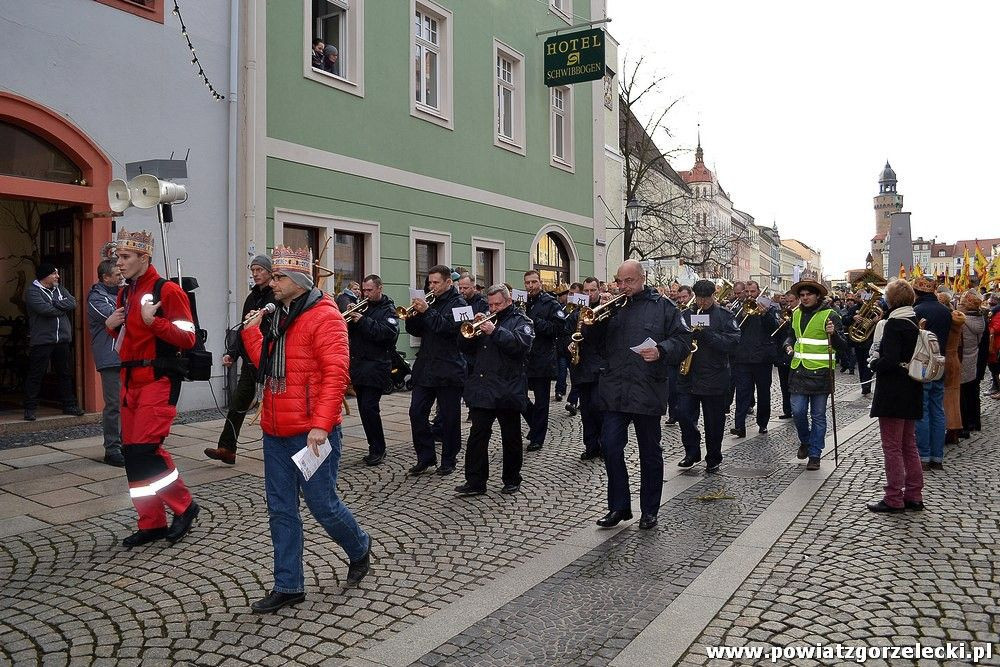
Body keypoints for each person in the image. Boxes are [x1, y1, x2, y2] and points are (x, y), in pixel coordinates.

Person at [241, 246, 370, 613]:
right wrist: (252, 334)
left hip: (311, 432)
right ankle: (288, 585)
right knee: (280, 509)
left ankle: (359, 546)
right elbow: (267, 366)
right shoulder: (278, 315)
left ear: (298, 281)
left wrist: (321, 425)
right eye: (273, 277)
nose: (272, 283)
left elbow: (336, 375)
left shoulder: (325, 317)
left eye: (279, 277)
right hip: (275, 429)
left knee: (322, 504)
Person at [105, 229, 199, 548]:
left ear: (144, 258)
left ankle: (185, 506)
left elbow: (188, 337)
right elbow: (127, 341)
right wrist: (110, 327)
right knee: (132, 455)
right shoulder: (125, 294)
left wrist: (153, 322)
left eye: (125, 257)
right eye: (118, 257)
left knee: (146, 450)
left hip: (158, 380)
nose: (119, 263)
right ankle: (151, 522)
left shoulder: (168, 290)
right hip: (129, 380)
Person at [596, 260, 691, 530]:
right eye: (620, 281)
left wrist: (661, 350)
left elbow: (683, 341)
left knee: (650, 452)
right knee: (610, 447)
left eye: (629, 281)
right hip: (615, 389)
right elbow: (595, 344)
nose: (623, 286)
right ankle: (619, 506)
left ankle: (650, 510)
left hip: (647, 388)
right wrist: (592, 322)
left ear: (642, 278)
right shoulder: (613, 307)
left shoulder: (664, 307)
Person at [455, 285, 534, 495]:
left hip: (508, 387)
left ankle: (512, 478)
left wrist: (495, 331)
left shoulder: (522, 321)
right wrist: (470, 332)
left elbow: (520, 347)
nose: (493, 308)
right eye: (490, 304)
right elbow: (465, 348)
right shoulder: (486, 319)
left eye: (497, 304)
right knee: (477, 435)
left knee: (511, 436)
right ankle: (475, 481)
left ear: (508, 301)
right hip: (483, 386)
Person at [205, 255, 274, 465]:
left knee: (275, 407)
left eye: (259, 270)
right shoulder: (251, 297)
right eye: (253, 270)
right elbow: (243, 328)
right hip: (250, 362)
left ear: (269, 271)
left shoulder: (276, 296)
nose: (255, 274)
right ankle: (227, 448)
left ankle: (279, 451)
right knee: (237, 405)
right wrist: (232, 353)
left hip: (269, 359)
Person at [866, 279, 924, 513]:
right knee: (909, 444)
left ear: (892, 300)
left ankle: (893, 497)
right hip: (912, 388)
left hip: (893, 391)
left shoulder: (894, 324)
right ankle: (914, 495)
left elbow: (889, 360)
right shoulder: (913, 321)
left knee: (892, 447)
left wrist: (874, 364)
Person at [405, 265, 467, 476]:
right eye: (429, 282)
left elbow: (449, 330)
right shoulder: (429, 302)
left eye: (436, 282)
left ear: (448, 282)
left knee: (449, 417)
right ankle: (425, 456)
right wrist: (413, 315)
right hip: (426, 367)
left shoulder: (460, 304)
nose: (431, 286)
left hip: (449, 368)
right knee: (416, 412)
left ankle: (449, 459)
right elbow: (415, 331)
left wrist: (427, 311)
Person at [676, 280, 741, 472]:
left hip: (715, 376)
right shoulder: (686, 315)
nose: (702, 302)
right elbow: (676, 338)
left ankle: (713, 456)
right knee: (684, 415)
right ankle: (691, 452)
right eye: (699, 298)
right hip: (688, 375)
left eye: (706, 298)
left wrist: (708, 335)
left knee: (714, 421)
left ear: (713, 296)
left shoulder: (724, 316)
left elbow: (733, 342)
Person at [783, 279, 847, 471]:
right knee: (798, 412)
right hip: (799, 371)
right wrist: (787, 345)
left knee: (818, 415)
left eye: (808, 295)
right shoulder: (795, 313)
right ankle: (806, 441)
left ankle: (815, 454)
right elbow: (791, 336)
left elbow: (843, 346)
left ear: (817, 296)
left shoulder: (830, 315)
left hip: (821, 372)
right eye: (802, 295)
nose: (804, 298)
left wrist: (834, 334)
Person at [346, 274, 399, 466]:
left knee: (370, 408)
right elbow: (351, 334)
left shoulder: (389, 310)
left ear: (379, 288)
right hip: (359, 367)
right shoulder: (363, 307)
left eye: (369, 290)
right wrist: (350, 319)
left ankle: (379, 448)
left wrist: (362, 320)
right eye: (364, 290)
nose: (365, 294)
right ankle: (373, 447)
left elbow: (387, 334)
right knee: (363, 409)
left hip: (377, 366)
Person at [23, 263, 84, 421]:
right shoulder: (32, 291)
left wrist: (55, 304)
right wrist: (61, 307)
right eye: (54, 274)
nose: (58, 276)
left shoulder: (60, 289)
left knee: (65, 373)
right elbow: (44, 310)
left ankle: (69, 405)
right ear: (45, 276)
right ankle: (30, 408)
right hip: (42, 340)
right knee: (36, 374)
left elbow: (72, 302)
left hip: (62, 339)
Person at [521, 270, 568, 452]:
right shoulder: (523, 302)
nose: (530, 286)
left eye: (533, 282)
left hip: (542, 357)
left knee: (541, 402)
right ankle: (536, 425)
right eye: (527, 283)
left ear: (540, 283)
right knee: (519, 396)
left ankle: (537, 438)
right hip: (524, 357)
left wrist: (536, 323)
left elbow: (559, 328)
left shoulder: (551, 303)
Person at [87, 259, 124, 466]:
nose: (121, 277)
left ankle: (127, 443)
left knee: (128, 403)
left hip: (127, 356)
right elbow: (115, 317)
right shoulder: (96, 297)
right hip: (110, 357)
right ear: (105, 278)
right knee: (114, 404)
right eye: (117, 275)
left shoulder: (123, 292)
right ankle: (112, 449)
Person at [730, 280, 779, 437]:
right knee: (742, 393)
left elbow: (774, 328)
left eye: (753, 291)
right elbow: (732, 328)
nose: (750, 294)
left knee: (763, 393)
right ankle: (739, 426)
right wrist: (741, 316)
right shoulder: (738, 308)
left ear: (758, 292)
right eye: (747, 291)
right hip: (743, 357)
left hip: (762, 358)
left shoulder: (768, 308)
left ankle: (763, 423)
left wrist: (765, 315)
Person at [912, 276, 951, 469]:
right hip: (940, 363)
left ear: (917, 292)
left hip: (923, 364)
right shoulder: (945, 311)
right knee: (938, 410)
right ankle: (937, 456)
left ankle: (924, 456)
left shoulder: (917, 310)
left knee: (923, 410)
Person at [566, 277, 607, 460]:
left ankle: (604, 445)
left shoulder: (604, 310)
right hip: (581, 367)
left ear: (599, 290)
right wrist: (569, 343)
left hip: (599, 367)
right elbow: (566, 333)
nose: (589, 294)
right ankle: (591, 446)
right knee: (587, 411)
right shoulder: (577, 312)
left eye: (593, 290)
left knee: (599, 408)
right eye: (586, 291)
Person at [957, 290, 986, 437]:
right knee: (973, 391)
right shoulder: (981, 320)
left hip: (963, 357)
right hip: (974, 355)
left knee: (962, 392)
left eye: (961, 303)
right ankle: (975, 422)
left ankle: (966, 423)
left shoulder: (961, 320)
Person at [774, 291, 798, 419]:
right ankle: (787, 410)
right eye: (787, 302)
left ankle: (796, 409)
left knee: (795, 384)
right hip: (782, 354)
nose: (789, 304)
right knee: (784, 385)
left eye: (791, 301)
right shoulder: (781, 313)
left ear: (797, 301)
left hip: (795, 354)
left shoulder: (799, 314)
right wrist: (779, 324)